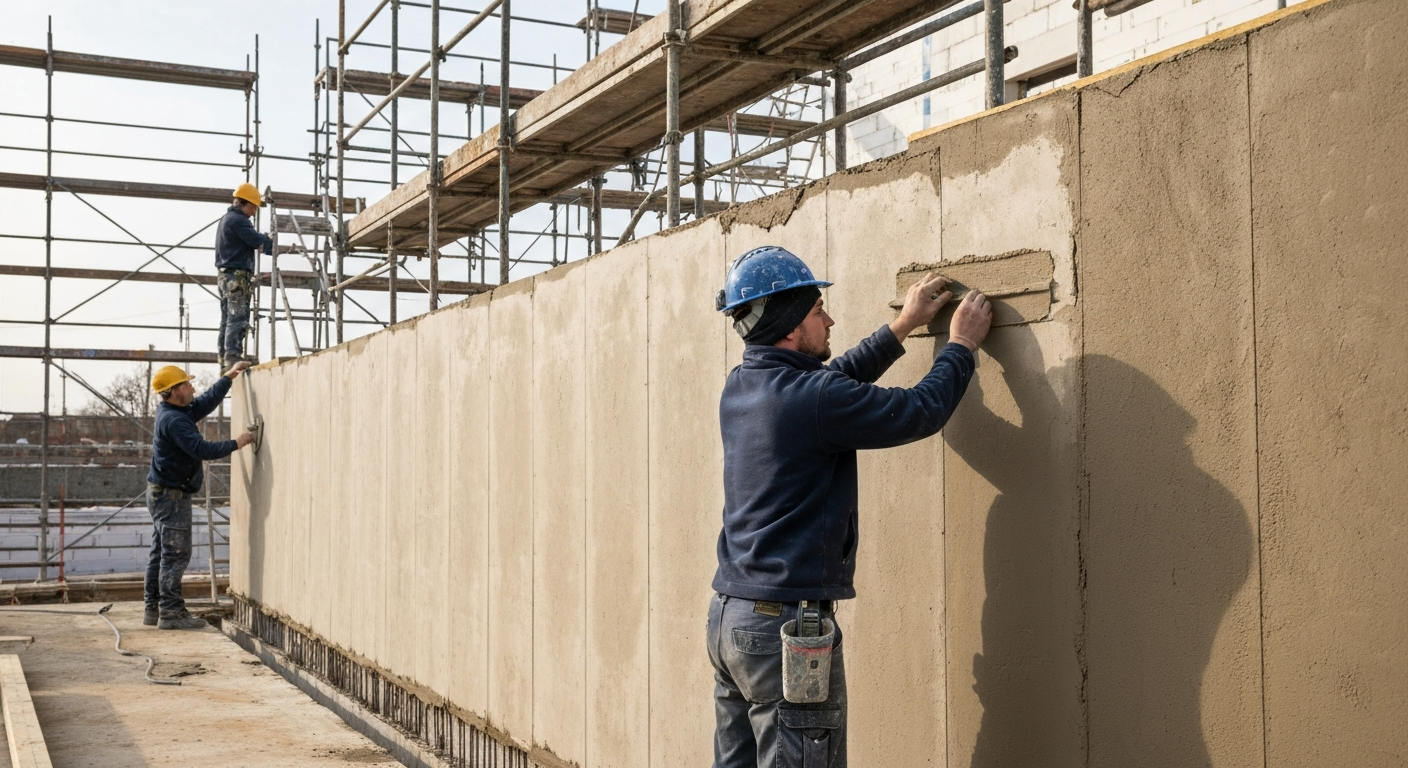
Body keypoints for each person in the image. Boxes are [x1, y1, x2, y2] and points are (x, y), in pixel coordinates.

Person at [708, 246, 993, 768]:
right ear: (790, 327)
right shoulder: (811, 398)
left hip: (731, 619)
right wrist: (961, 346)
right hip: (781, 630)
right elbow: (919, 411)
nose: (830, 320)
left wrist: (903, 326)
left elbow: (831, 383)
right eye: (819, 311)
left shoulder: (742, 384)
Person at [144, 362, 256, 630]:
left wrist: (228, 377)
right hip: (171, 498)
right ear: (175, 391)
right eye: (186, 384)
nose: (192, 387)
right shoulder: (174, 420)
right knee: (175, 554)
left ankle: (153, 608)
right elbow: (201, 449)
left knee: (161, 553)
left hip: (162, 494)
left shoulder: (175, 410)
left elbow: (205, 402)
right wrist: (237, 443)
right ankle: (171, 613)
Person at [215, 183, 272, 371]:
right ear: (243, 203)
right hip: (236, 278)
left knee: (227, 318)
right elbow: (256, 241)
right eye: (253, 207)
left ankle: (225, 359)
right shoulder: (238, 220)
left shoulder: (227, 219)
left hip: (226, 276)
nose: (254, 212)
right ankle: (232, 357)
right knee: (237, 317)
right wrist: (270, 242)